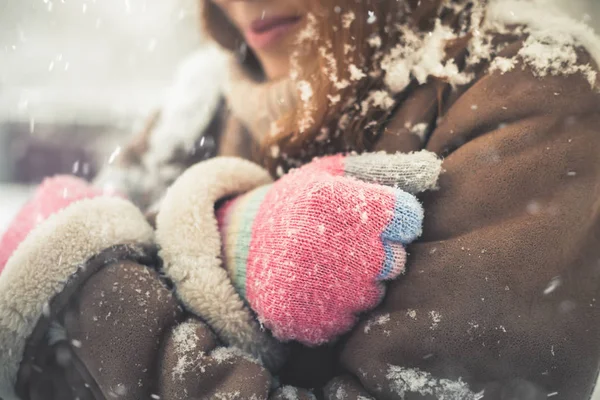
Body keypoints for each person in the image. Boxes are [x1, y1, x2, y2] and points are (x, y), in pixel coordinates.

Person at [1, 0, 600, 398]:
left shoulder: (530, 88)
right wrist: (221, 226)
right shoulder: (203, 101)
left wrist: (83, 297)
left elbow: (96, 266)